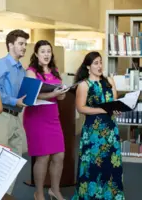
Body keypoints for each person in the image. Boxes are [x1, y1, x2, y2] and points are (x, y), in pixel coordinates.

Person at [72, 52, 124, 200]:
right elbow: (81, 108)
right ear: (88, 66)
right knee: (93, 166)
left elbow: (114, 102)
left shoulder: (109, 82)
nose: (100, 66)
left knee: (110, 164)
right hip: (93, 131)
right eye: (96, 63)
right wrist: (103, 110)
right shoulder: (84, 85)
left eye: (101, 62)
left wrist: (117, 109)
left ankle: (111, 196)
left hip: (110, 129)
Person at [23, 40, 67, 200]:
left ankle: (54, 190)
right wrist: (52, 94)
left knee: (59, 155)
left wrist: (61, 94)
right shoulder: (31, 72)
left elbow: (60, 95)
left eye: (49, 51)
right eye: (43, 51)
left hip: (52, 116)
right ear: (36, 54)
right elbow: (31, 95)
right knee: (43, 156)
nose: (46, 54)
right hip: (36, 117)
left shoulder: (55, 71)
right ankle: (39, 193)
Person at [0, 29, 29, 194]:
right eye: (21, 43)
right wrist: (14, 101)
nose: (24, 47)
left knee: (14, 162)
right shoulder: (0, 65)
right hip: (1, 117)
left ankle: (6, 196)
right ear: (10, 45)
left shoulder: (21, 69)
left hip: (16, 117)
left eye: (25, 44)